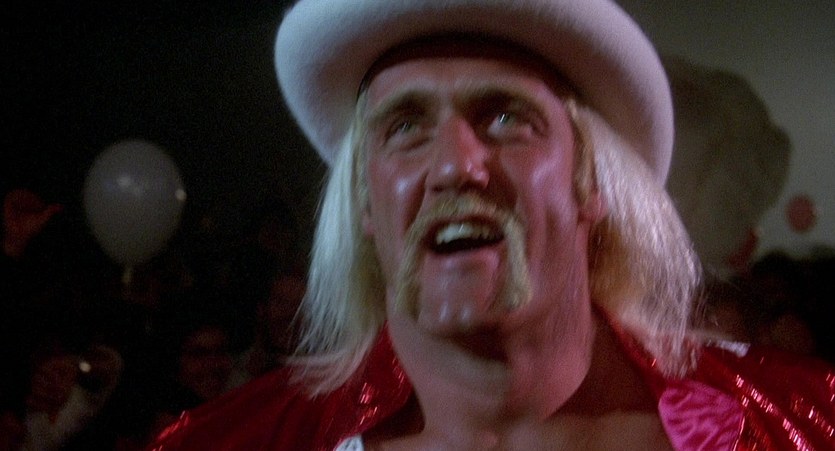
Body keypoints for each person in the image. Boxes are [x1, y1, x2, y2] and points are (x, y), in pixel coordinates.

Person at [152, 0, 835, 449]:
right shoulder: (222, 444)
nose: (454, 167)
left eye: (505, 117)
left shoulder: (806, 422)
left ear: (590, 181)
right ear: (364, 201)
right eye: (405, 126)